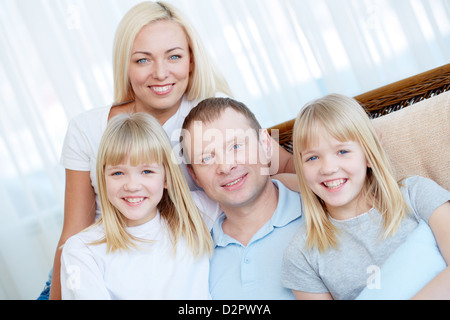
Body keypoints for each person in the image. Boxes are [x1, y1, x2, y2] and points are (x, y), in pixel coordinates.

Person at [41, 1, 293, 300]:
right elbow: (74, 231)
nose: (160, 73)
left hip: (175, 269)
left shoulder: (208, 118)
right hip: (98, 274)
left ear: (191, 61)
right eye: (143, 60)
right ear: (126, 64)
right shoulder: (87, 129)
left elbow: (283, 171)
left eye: (173, 56)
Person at [281, 94, 450, 300]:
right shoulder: (302, 255)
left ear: (368, 155)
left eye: (342, 151)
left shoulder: (416, 194)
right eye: (313, 157)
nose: (328, 168)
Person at [60, 112, 213, 299]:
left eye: (147, 171)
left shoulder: (196, 212)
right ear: (103, 179)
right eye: (117, 173)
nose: (132, 185)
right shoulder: (81, 250)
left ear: (166, 177)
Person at [181, 97, 303, 299]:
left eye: (236, 146)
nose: (226, 166)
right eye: (206, 158)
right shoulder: (195, 258)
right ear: (194, 176)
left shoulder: (322, 209)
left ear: (265, 144)